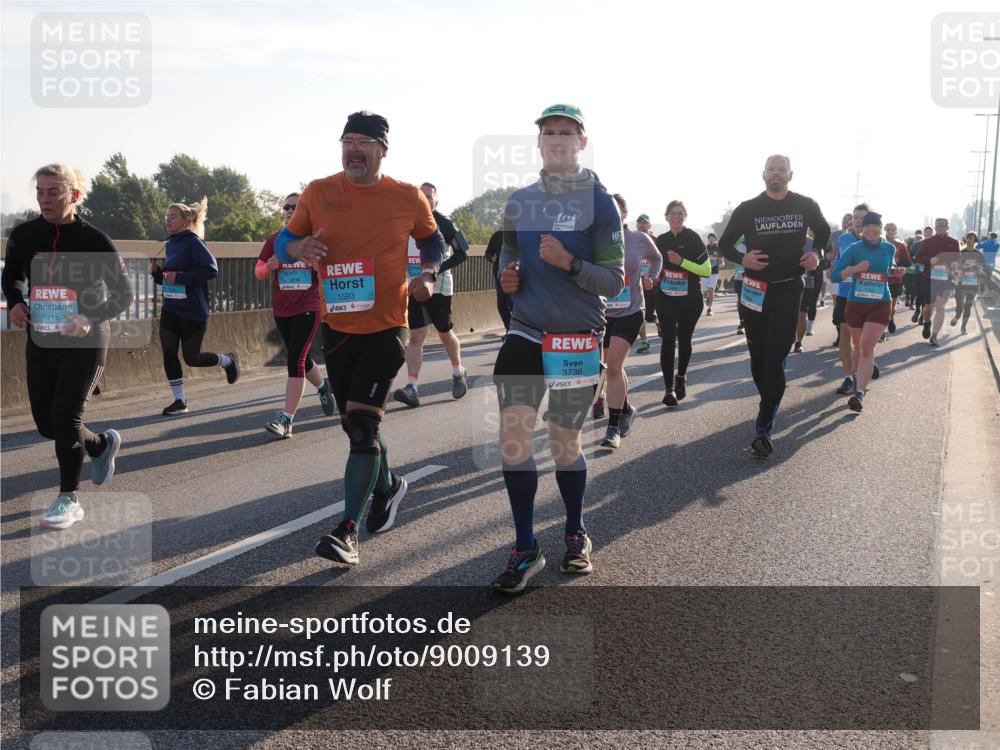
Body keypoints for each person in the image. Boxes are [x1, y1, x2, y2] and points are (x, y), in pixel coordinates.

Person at [276, 110, 446, 565]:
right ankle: (389, 487)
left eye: (363, 142)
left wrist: (427, 274)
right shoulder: (319, 191)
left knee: (364, 426)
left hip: (388, 326)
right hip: (339, 328)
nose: (353, 149)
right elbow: (282, 242)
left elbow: (434, 242)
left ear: (382, 149)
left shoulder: (407, 196)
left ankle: (347, 530)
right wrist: (297, 248)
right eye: (346, 141)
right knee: (355, 424)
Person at [491, 103, 624, 593]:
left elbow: (613, 280)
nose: (557, 140)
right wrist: (508, 278)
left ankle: (575, 531)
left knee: (564, 442)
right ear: (540, 142)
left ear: (581, 142)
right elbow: (508, 257)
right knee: (513, 438)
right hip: (525, 331)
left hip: (576, 337)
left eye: (566, 133)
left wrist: (569, 263)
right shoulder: (519, 201)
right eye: (549, 133)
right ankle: (526, 548)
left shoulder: (600, 202)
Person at [1, 164, 133, 529]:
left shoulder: (95, 240)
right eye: (40, 192)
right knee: (47, 424)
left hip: (86, 340)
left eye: (53, 192)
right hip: (42, 338)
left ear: (74, 195)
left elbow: (123, 295)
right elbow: (11, 274)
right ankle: (99, 446)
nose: (45, 199)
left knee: (66, 417)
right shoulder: (25, 235)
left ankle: (68, 498)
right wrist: (15, 302)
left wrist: (90, 318)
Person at [719, 155, 829, 457]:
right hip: (755, 291)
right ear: (763, 174)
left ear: (790, 174)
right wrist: (742, 259)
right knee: (757, 357)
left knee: (776, 355)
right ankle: (768, 399)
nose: (776, 174)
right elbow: (725, 243)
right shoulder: (748, 208)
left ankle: (764, 426)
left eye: (781, 169)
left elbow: (823, 232)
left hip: (788, 288)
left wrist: (817, 253)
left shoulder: (805, 205)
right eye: (771, 169)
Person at [254, 192, 336, 437]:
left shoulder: (315, 240)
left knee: (295, 360)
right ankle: (323, 387)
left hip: (309, 307)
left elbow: (333, 272)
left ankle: (286, 420)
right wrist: (269, 266)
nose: (290, 210)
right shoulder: (275, 240)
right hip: (282, 310)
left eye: (296, 206)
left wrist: (318, 266)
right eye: (287, 206)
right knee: (298, 357)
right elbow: (257, 272)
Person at [150, 198, 241, 415]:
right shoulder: (171, 243)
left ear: (185, 221)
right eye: (167, 216)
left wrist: (179, 276)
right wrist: (158, 274)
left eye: (173, 216)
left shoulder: (193, 242)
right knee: (169, 352)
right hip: (171, 308)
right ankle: (180, 400)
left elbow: (211, 270)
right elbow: (169, 279)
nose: (168, 220)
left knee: (192, 358)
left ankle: (227, 360)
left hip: (193, 311)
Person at [393, 182, 470, 407]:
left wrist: (435, 269)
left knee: (445, 332)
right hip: (414, 285)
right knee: (416, 336)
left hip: (439, 287)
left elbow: (463, 253)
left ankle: (457, 371)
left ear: (436, 201)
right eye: (421, 196)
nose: (425, 200)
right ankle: (412, 387)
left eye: (429, 196)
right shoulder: (406, 221)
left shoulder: (444, 223)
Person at [600, 194, 661, 449]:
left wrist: (651, 277)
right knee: (609, 366)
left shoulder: (638, 239)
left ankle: (613, 426)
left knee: (614, 364)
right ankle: (626, 408)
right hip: (603, 313)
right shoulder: (597, 240)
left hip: (631, 310)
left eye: (616, 211)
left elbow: (657, 258)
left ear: (624, 214)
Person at [831, 212, 896, 412]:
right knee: (859, 347)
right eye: (868, 228)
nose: (872, 231)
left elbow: (889, 267)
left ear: (881, 229)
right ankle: (867, 368)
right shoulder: (853, 249)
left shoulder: (889, 248)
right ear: (862, 229)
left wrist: (894, 271)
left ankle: (859, 393)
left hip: (880, 303)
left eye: (876, 228)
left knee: (866, 347)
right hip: (856, 304)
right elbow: (835, 276)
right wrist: (855, 269)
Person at [655, 200, 711, 407]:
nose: (676, 217)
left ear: (685, 216)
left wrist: (682, 263)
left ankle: (681, 377)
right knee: (668, 339)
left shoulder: (693, 238)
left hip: (690, 298)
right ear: (666, 216)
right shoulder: (660, 240)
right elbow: (652, 266)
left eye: (680, 213)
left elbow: (705, 271)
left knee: (684, 339)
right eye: (672, 213)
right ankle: (668, 389)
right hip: (666, 297)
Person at [915, 217, 960, 346]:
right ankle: (927, 322)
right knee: (929, 308)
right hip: (929, 278)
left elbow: (958, 259)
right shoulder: (928, 242)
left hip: (945, 279)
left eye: (943, 226)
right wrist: (929, 260)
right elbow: (918, 258)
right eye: (938, 226)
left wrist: (954, 263)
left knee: (940, 307)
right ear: (935, 228)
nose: (940, 228)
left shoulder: (954, 242)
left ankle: (934, 336)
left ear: (947, 227)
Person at [793, 228, 821, 352]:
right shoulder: (787, 239)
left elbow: (821, 261)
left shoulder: (813, 243)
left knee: (801, 314)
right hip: (789, 282)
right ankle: (790, 337)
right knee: (789, 314)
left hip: (808, 282)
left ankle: (799, 342)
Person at [953, 232, 986, 335]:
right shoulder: (960, 253)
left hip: (973, 284)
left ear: (975, 240)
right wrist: (958, 271)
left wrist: (979, 271)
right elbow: (954, 268)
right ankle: (957, 315)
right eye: (967, 238)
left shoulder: (979, 255)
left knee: (967, 306)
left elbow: (983, 271)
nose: (968, 240)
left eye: (971, 238)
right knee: (960, 306)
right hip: (960, 283)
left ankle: (963, 327)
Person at [483, 214, 511, 333]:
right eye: (502, 220)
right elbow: (488, 252)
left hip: (515, 276)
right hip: (499, 276)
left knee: (514, 304)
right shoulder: (496, 236)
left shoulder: (517, 235)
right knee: (501, 305)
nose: (503, 222)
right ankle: (509, 328)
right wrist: (491, 258)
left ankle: (515, 331)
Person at [635, 212, 658, 349]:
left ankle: (658, 322)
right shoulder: (631, 239)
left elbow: (660, 260)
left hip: (651, 282)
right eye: (640, 222)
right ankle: (644, 341)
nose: (642, 225)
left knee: (649, 315)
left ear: (649, 225)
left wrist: (654, 276)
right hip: (635, 282)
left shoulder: (655, 240)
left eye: (644, 222)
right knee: (638, 314)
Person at [884, 222, 910, 334]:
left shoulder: (901, 245)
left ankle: (891, 318)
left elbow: (908, 263)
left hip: (895, 280)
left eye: (892, 229)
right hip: (880, 279)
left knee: (891, 307)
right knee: (881, 306)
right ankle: (882, 331)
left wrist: (899, 261)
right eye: (887, 229)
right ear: (883, 230)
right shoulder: (879, 243)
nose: (889, 232)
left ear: (895, 232)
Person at [703, 233, 723, 315]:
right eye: (710, 238)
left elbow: (722, 259)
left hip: (715, 272)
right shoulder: (705, 248)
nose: (711, 239)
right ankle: (707, 298)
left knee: (711, 290)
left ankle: (709, 309)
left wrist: (722, 263)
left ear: (715, 240)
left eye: (713, 238)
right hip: (705, 272)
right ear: (708, 239)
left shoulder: (718, 248)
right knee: (705, 292)